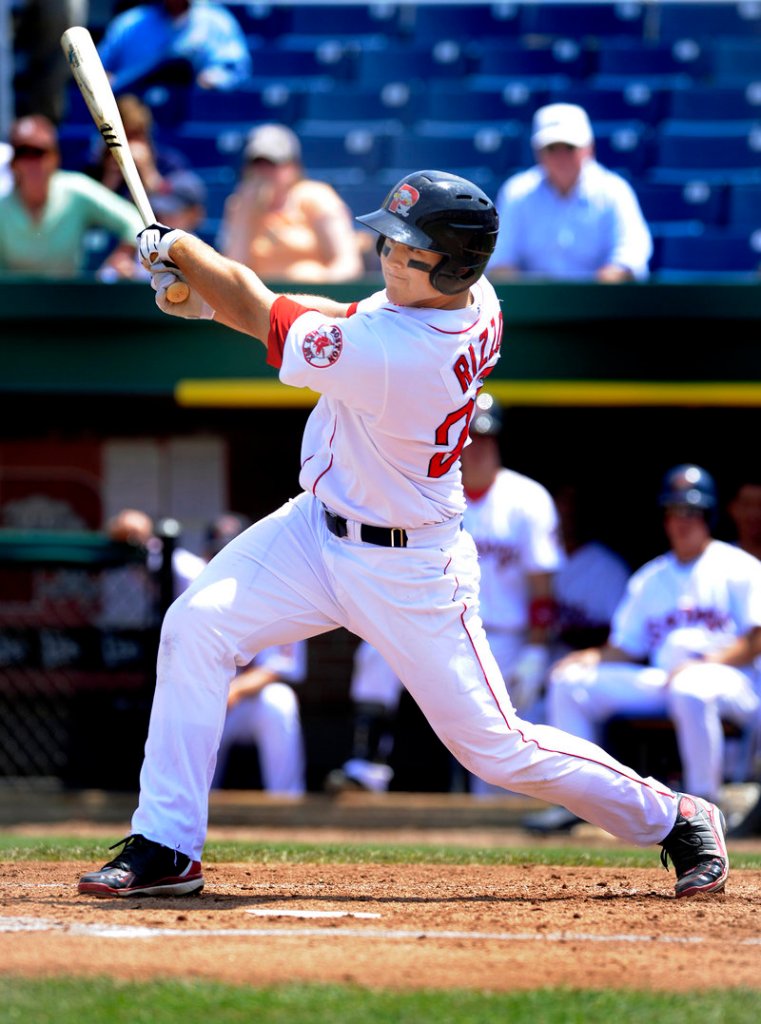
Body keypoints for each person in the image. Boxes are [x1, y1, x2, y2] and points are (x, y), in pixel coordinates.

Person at [77, 169, 728, 902]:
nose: (385, 250)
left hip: (409, 567)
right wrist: (207, 303)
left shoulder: (403, 357)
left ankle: (672, 813)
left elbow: (278, 316)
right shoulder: (469, 296)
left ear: (450, 264)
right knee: (195, 626)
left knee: (495, 746)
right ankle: (167, 844)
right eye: (387, 235)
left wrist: (183, 253)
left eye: (405, 245)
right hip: (312, 534)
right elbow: (336, 312)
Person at [326, 391, 565, 794]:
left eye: (487, 438)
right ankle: (365, 767)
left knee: (495, 759)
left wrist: (537, 651)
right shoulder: (429, 489)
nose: (478, 446)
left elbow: (543, 587)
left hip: (503, 637)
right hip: (434, 621)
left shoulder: (528, 498)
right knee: (375, 654)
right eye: (471, 436)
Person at [528, 464, 761, 834]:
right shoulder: (652, 577)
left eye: (691, 512)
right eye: (674, 511)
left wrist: (706, 663)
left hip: (735, 681)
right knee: (571, 682)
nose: (682, 521)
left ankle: (704, 806)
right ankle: (578, 800)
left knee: (693, 686)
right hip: (666, 678)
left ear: (709, 516)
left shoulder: (740, 567)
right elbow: (626, 647)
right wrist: (589, 657)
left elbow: (755, 641)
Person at [203, 512, 308, 797]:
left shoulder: (279, 592)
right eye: (219, 552)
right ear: (207, 555)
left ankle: (287, 802)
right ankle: (192, 810)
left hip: (245, 701)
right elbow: (152, 552)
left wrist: (234, 690)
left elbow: (280, 666)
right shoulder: (193, 585)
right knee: (194, 709)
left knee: (279, 701)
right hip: (205, 698)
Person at [489, 103, 652, 282]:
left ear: (589, 148)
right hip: (530, 308)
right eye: (551, 148)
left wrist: (591, 296)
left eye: (569, 147)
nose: (561, 157)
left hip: (602, 306)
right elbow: (500, 263)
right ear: (537, 152)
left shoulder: (615, 191)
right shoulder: (516, 192)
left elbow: (631, 256)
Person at [0, 114, 144, 280]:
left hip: (71, 300)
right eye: (23, 153)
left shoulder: (77, 189)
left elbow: (135, 221)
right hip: (14, 303)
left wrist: (122, 256)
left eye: (39, 152)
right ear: (13, 163)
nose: (31, 161)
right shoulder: (2, 206)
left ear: (54, 157)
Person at [218, 123, 364, 283]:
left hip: (312, 299)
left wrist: (316, 289)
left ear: (293, 167)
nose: (265, 172)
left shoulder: (316, 197)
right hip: (260, 301)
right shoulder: (238, 205)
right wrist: (245, 212)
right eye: (258, 164)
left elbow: (348, 264)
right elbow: (233, 271)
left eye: (273, 164)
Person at [97, 0, 252, 95]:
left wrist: (211, 79)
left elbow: (237, 70)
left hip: (191, 116)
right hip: (134, 117)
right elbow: (99, 71)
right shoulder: (129, 24)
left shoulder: (217, 21)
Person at [551, 481, 630, 659]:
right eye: (561, 502)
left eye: (572, 502)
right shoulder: (537, 558)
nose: (566, 510)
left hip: (585, 662)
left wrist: (570, 633)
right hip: (537, 656)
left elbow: (622, 639)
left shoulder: (610, 569)